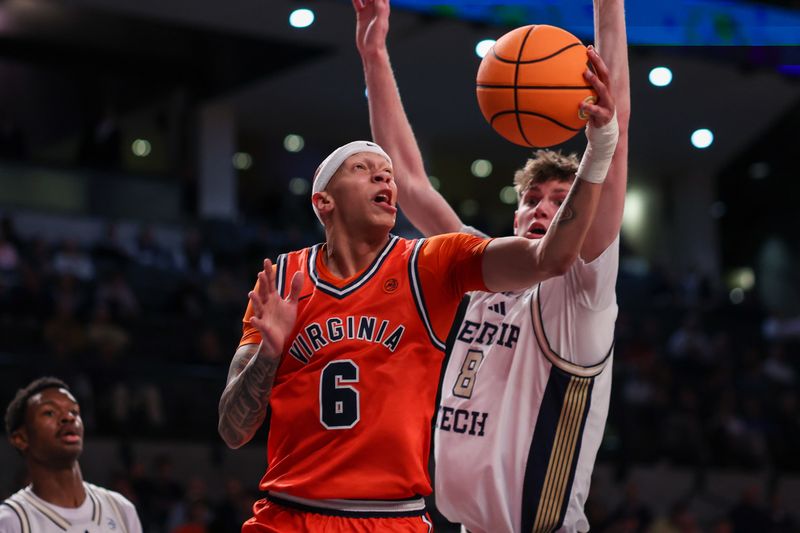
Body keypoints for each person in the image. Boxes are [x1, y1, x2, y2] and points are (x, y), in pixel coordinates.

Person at [217, 69, 616, 532]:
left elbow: (552, 258)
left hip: (391, 519)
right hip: (287, 512)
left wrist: (601, 145)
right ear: (323, 201)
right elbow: (233, 429)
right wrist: (268, 351)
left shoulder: (431, 262)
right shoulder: (282, 280)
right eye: (364, 169)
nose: (384, 177)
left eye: (387, 173)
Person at [354, 0, 629, 530]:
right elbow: (408, 182)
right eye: (534, 198)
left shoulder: (582, 293)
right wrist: (372, 52)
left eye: (559, 199)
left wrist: (608, 9)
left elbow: (614, 154)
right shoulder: (480, 268)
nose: (544, 207)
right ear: (516, 211)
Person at [1, 376, 143, 533]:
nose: (68, 417)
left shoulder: (121, 509)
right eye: (49, 413)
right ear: (21, 438)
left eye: (74, 411)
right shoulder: (11, 521)